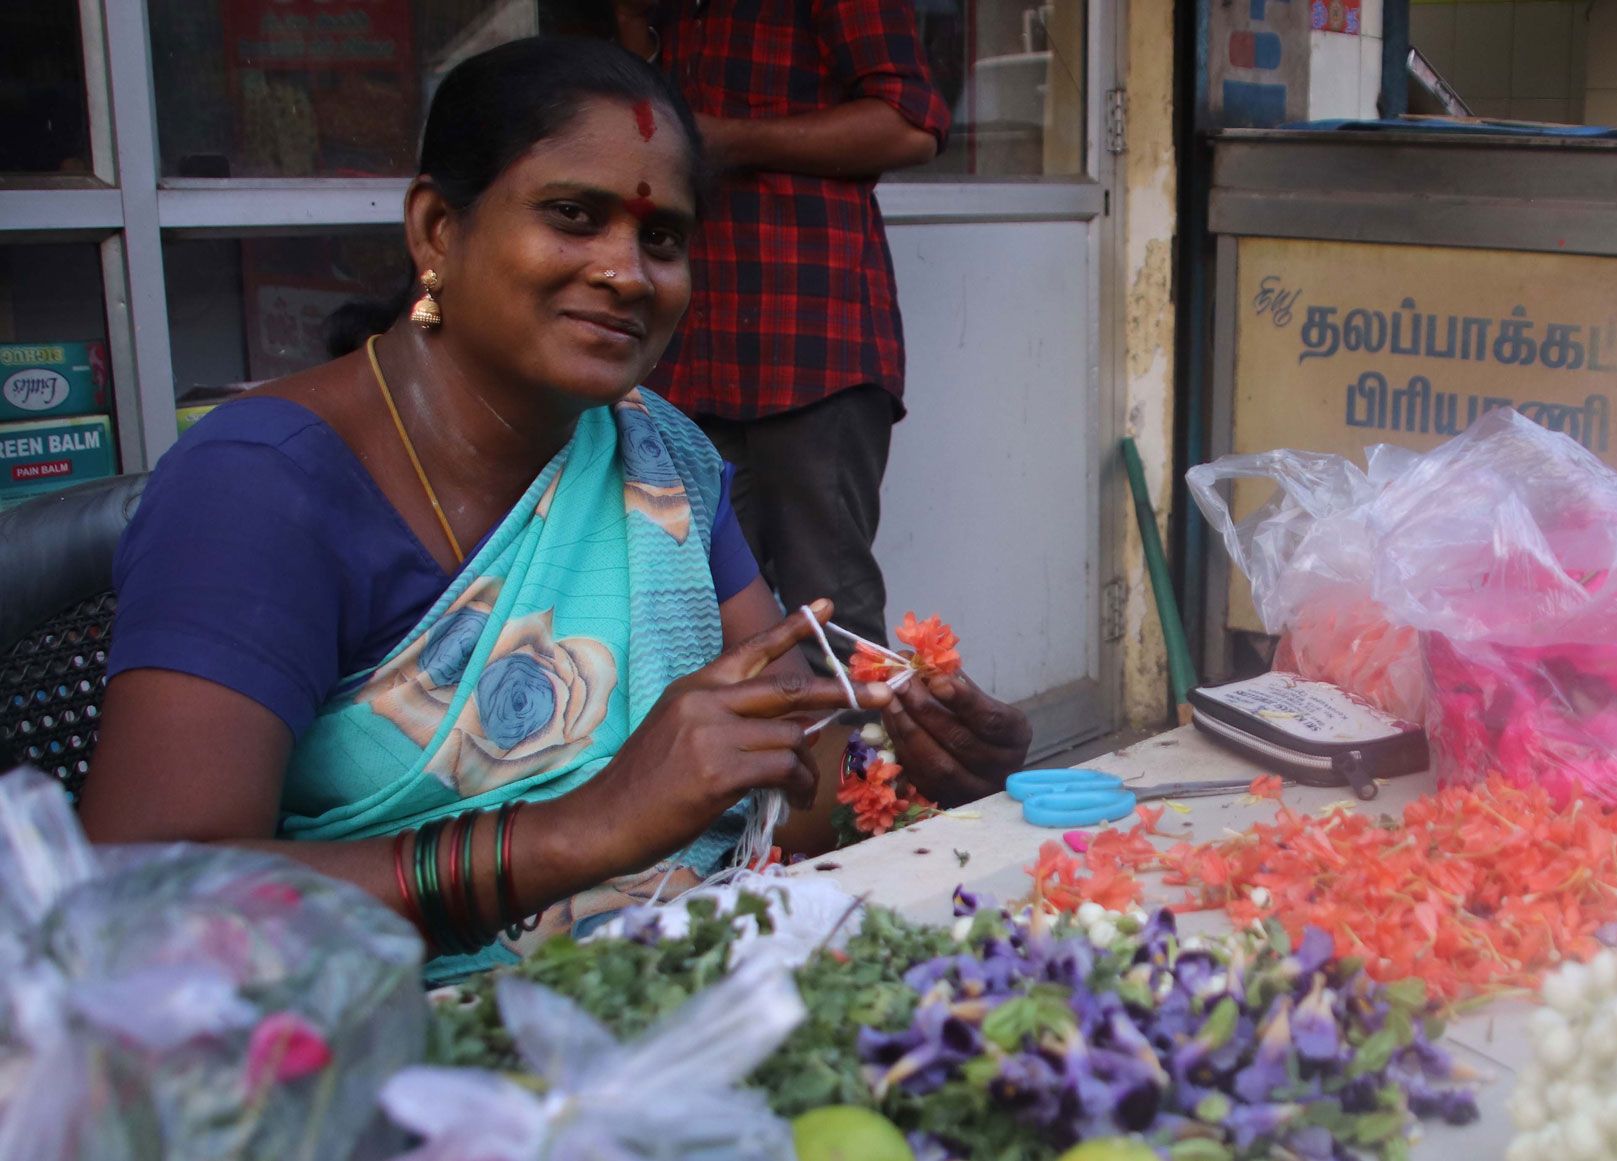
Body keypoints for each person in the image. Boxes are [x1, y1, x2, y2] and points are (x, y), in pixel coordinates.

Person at [79, 38, 1030, 984]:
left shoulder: (660, 455)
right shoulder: (260, 484)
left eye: (662, 240)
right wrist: (578, 830)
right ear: (437, 232)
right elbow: (144, 913)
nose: (627, 273)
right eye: (574, 217)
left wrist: (919, 769)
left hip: (679, 1009)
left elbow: (787, 796)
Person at [645, 0, 949, 654]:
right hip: (691, 351)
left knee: (829, 627)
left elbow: (911, 124)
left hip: (810, 343)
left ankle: (856, 760)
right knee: (699, 625)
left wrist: (731, 139)